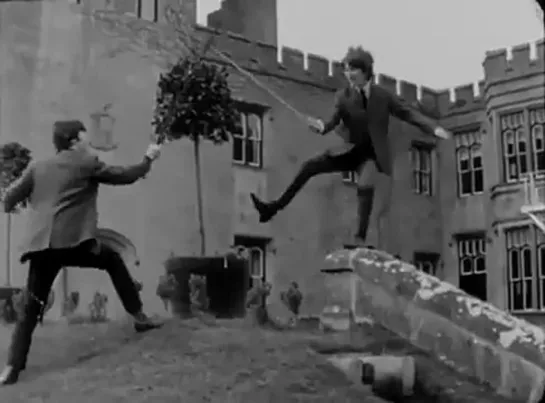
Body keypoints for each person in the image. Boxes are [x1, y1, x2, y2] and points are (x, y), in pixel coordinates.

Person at [0, 120, 163, 386]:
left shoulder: (37, 166)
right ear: (74, 140)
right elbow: (126, 175)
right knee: (112, 259)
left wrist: (37, 199)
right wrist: (148, 159)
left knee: (30, 307)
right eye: (85, 136)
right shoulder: (86, 162)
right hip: (73, 242)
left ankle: (11, 368)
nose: (88, 141)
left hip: (41, 247)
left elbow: (8, 199)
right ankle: (140, 317)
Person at [250, 47, 450, 248]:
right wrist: (321, 127)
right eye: (346, 70)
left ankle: (360, 239)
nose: (348, 74)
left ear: (365, 71)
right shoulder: (343, 96)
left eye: (352, 70)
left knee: (365, 186)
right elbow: (332, 121)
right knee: (309, 167)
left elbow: (407, 113)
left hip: (370, 154)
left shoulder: (383, 96)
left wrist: (433, 129)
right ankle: (272, 208)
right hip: (348, 151)